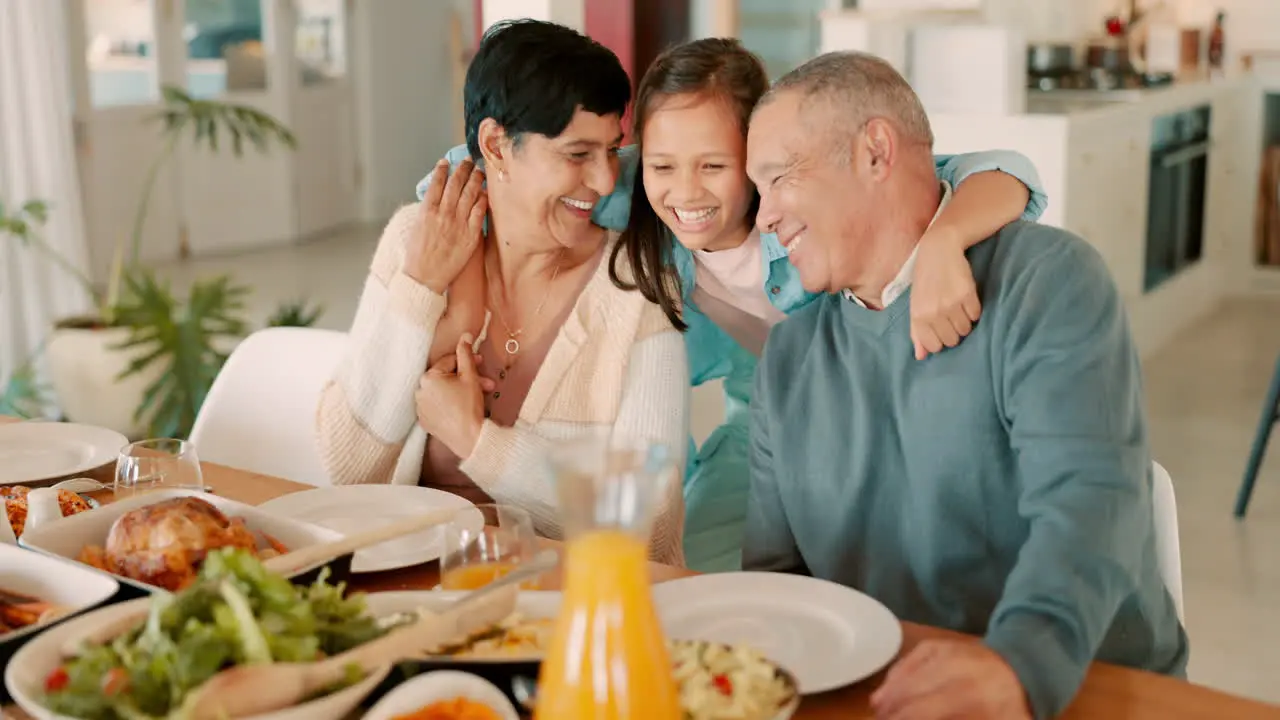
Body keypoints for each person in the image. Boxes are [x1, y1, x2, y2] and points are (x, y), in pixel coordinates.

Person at [426, 38, 1048, 572]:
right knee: (701, 580)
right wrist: (460, 314)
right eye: (662, 163)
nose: (685, 192)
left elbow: (1004, 170)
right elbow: (467, 170)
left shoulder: (806, 203)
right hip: (759, 424)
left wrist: (945, 241)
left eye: (716, 165)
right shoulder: (639, 194)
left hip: (872, 427)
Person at [744, 52, 1187, 720]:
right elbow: (776, 586)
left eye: (779, 178)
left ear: (874, 152)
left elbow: (1091, 502)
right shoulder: (789, 358)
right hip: (890, 697)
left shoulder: (1048, 281)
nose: (763, 216)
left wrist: (1018, 665)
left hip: (1084, 692)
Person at [316, 19, 689, 566]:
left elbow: (646, 527)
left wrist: (475, 440)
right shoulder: (416, 244)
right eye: (577, 153)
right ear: (496, 145)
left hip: (576, 609)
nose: (607, 180)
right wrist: (420, 291)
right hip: (416, 591)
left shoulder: (637, 286)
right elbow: (347, 469)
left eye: (612, 151)